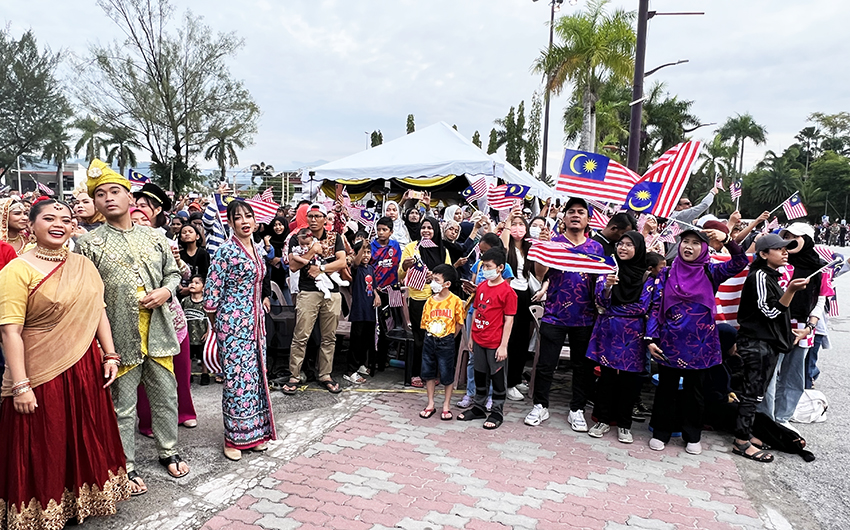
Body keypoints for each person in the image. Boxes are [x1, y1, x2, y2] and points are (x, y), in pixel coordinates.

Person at [0, 197, 131, 527]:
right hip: (39, 372)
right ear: (31, 226)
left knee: (83, 434)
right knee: (46, 440)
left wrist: (110, 354)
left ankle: (77, 503)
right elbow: (10, 331)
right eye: (48, 218)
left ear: (74, 226)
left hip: (84, 367)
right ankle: (41, 509)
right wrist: (20, 385)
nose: (58, 224)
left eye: (65, 219)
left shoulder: (83, 265)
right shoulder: (17, 269)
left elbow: (97, 311)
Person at [76, 159, 189, 494]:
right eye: (100, 195)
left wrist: (167, 291)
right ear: (95, 204)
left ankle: (168, 451)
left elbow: (173, 273)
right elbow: (89, 295)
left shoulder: (154, 237)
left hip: (158, 330)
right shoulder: (89, 244)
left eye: (115, 191)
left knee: (166, 396)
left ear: (130, 198)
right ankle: (125, 464)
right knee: (122, 406)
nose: (108, 198)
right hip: (119, 334)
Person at [646, 228, 748, 454]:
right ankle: (661, 432)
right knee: (666, 390)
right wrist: (651, 338)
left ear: (704, 248)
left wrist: (728, 240)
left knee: (695, 392)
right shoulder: (667, 273)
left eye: (695, 243)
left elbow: (740, 261)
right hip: (670, 342)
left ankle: (692, 435)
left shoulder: (711, 271)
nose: (688, 247)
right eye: (685, 241)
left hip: (700, 344)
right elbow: (655, 306)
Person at [204, 199, 276, 461]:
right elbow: (211, 293)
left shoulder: (257, 249)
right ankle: (233, 438)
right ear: (230, 222)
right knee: (236, 381)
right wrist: (216, 325)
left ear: (255, 221)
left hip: (256, 324)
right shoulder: (225, 251)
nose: (244, 221)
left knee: (255, 379)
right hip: (233, 326)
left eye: (248, 216)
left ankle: (253, 434)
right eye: (238, 217)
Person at [525, 197, 604, 430]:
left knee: (582, 367)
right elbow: (541, 274)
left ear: (588, 219)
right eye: (571, 211)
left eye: (581, 212)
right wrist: (543, 248)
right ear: (565, 216)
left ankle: (577, 409)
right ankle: (540, 405)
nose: (575, 215)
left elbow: (599, 282)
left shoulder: (596, 248)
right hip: (554, 313)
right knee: (546, 364)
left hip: (585, 316)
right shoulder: (553, 242)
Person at [733, 234, 808, 463]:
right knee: (752, 394)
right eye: (779, 249)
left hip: (767, 344)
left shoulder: (772, 276)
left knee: (756, 394)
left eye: (786, 249)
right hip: (756, 345)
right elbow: (770, 311)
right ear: (764, 254)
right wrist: (791, 291)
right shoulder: (759, 276)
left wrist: (789, 333)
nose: (785, 252)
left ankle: (747, 432)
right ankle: (741, 442)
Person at [585, 231, 652, 444]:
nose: (623, 248)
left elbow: (643, 306)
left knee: (629, 381)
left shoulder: (646, 276)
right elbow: (600, 302)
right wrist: (607, 288)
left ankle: (624, 424)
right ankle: (603, 420)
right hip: (609, 331)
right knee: (606, 378)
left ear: (638, 249)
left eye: (629, 245)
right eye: (621, 244)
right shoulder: (608, 270)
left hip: (633, 335)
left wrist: (615, 309)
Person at [760, 223, 828, 428]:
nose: (789, 241)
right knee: (770, 374)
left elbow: (820, 300)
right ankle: (766, 419)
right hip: (776, 325)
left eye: (794, 237)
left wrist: (809, 327)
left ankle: (782, 418)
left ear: (806, 239)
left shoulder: (821, 268)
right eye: (786, 236)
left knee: (794, 375)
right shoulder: (778, 263)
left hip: (803, 328)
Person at [284, 203, 347, 394]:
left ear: (325, 219)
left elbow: (342, 262)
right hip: (308, 291)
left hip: (332, 291)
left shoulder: (335, 237)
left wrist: (320, 268)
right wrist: (313, 250)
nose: (313, 220)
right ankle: (294, 375)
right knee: (301, 335)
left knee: (329, 337)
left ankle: (325, 374)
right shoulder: (298, 237)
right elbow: (293, 265)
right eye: (310, 216)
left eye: (317, 216)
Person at [457, 248, 517, 429]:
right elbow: (476, 311)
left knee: (497, 376)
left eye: (489, 266)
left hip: (495, 342)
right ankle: (478, 407)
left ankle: (497, 411)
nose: (485, 270)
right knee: (479, 374)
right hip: (479, 339)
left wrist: (503, 345)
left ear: (500, 268)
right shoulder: (482, 287)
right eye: (483, 266)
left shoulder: (508, 292)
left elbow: (509, 320)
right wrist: (471, 337)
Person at [399, 217, 452, 388]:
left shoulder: (443, 251)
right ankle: (416, 373)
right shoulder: (411, 248)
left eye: (430, 228)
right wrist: (405, 266)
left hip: (438, 301)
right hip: (419, 299)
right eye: (423, 227)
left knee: (436, 337)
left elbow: (449, 274)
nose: (426, 231)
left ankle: (431, 373)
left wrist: (435, 276)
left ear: (436, 230)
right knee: (420, 338)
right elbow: (400, 274)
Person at [418, 264, 465, 420]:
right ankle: (430, 403)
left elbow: (459, 323)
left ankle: (446, 405)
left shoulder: (455, 301)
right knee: (428, 372)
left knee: (447, 373)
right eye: (433, 279)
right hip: (430, 339)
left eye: (437, 280)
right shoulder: (429, 302)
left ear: (447, 284)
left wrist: (450, 337)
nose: (433, 283)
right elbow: (424, 323)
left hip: (446, 341)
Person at [501, 209, 535, 401]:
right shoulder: (507, 248)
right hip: (510, 293)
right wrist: (508, 220)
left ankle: (516, 377)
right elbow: (503, 246)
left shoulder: (530, 248)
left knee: (522, 340)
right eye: (514, 224)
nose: (517, 228)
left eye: (521, 224)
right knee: (511, 339)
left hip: (526, 295)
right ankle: (507, 382)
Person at [370, 216, 403, 372]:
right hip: (376, 291)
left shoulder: (395, 246)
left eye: (384, 230)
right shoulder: (371, 246)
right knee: (377, 326)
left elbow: (400, 265)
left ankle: (387, 356)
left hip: (392, 290)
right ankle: (375, 359)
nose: (381, 233)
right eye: (379, 230)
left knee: (392, 324)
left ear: (391, 231)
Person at [344, 240, 379, 384]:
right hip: (359, 310)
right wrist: (362, 246)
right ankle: (350, 370)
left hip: (370, 309)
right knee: (356, 340)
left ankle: (360, 364)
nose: (366, 255)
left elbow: (373, 286)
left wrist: (376, 295)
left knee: (366, 339)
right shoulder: (356, 268)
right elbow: (356, 262)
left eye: (368, 252)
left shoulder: (370, 268)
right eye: (363, 252)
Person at [182, 275, 211, 385]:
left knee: (203, 355)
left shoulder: (206, 302)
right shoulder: (185, 301)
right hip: (188, 334)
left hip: (201, 334)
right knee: (188, 356)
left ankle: (205, 374)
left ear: (203, 287)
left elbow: (210, 319)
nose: (192, 284)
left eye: (197, 283)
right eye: (191, 282)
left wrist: (208, 332)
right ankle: (188, 375)